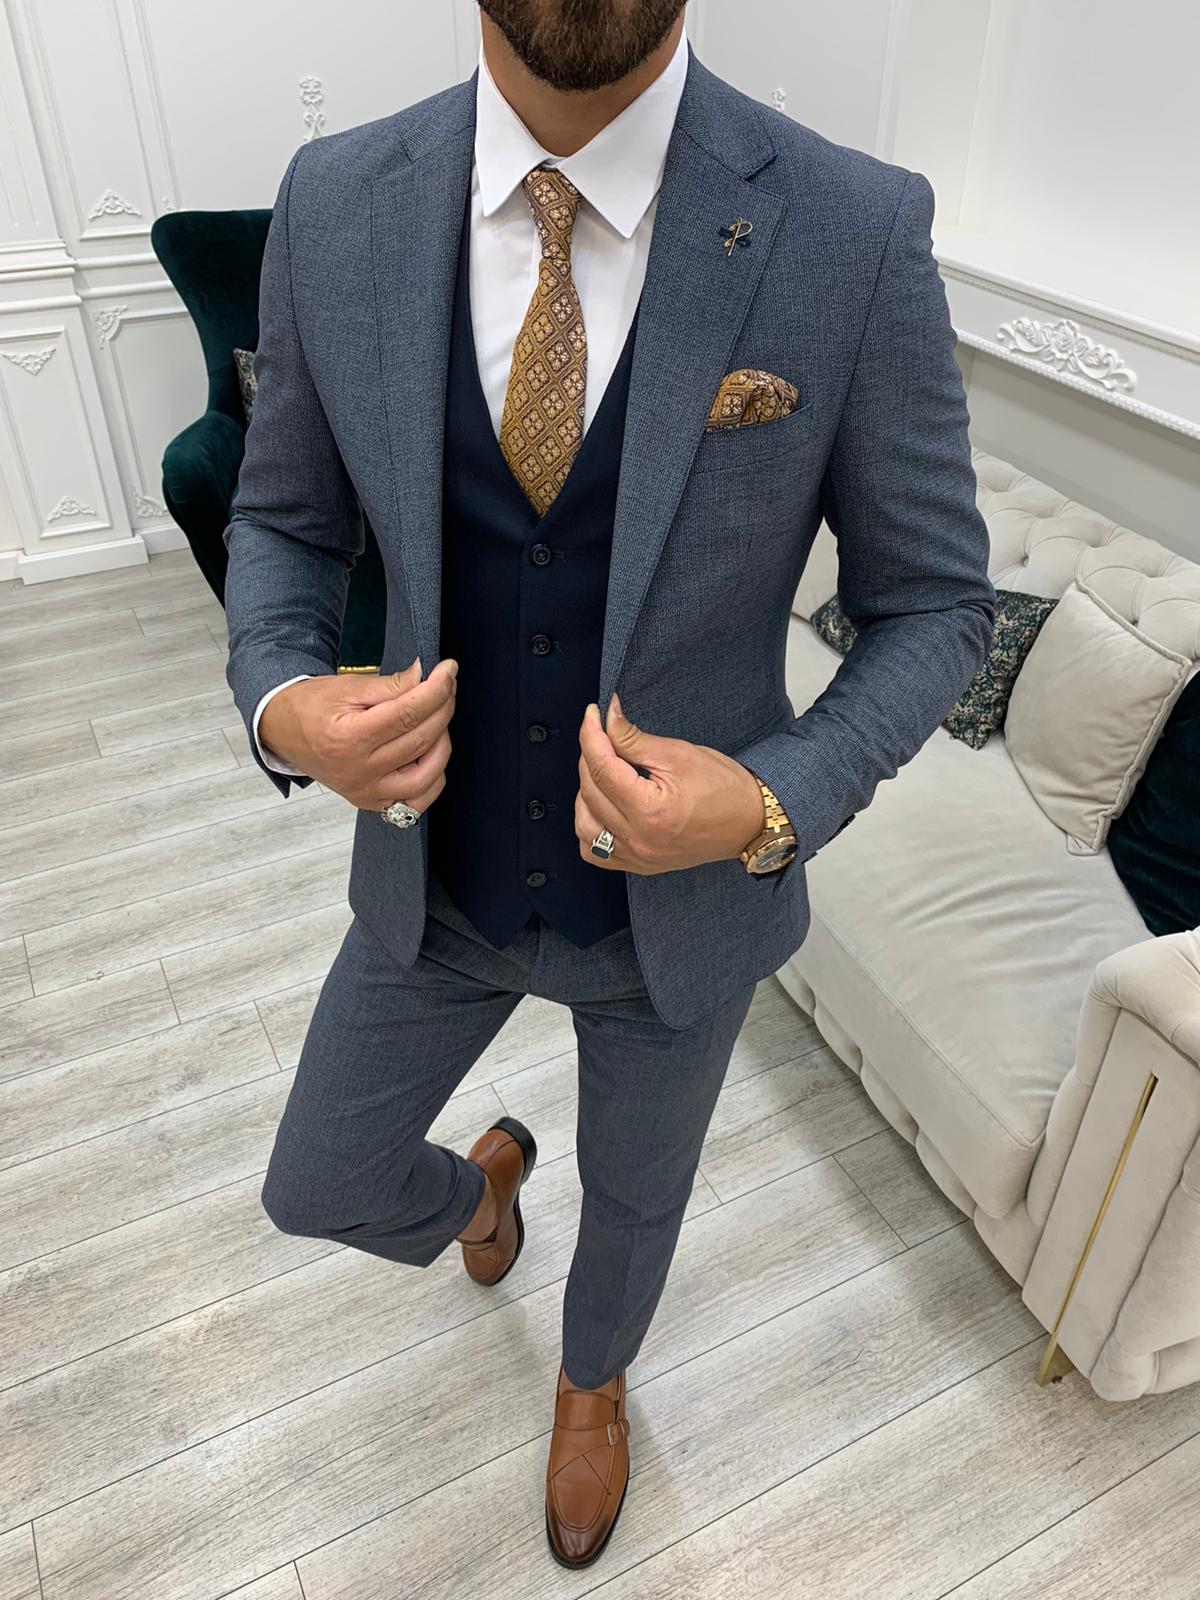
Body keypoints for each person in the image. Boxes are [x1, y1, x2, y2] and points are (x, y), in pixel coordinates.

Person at [222, 0, 996, 1569]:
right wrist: (285, 702)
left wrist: (771, 801)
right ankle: (482, 1198)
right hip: (433, 883)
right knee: (317, 1181)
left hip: (678, 918)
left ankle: (594, 1380)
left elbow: (937, 608)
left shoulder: (852, 227)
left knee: (641, 1201)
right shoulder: (337, 200)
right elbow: (286, 521)